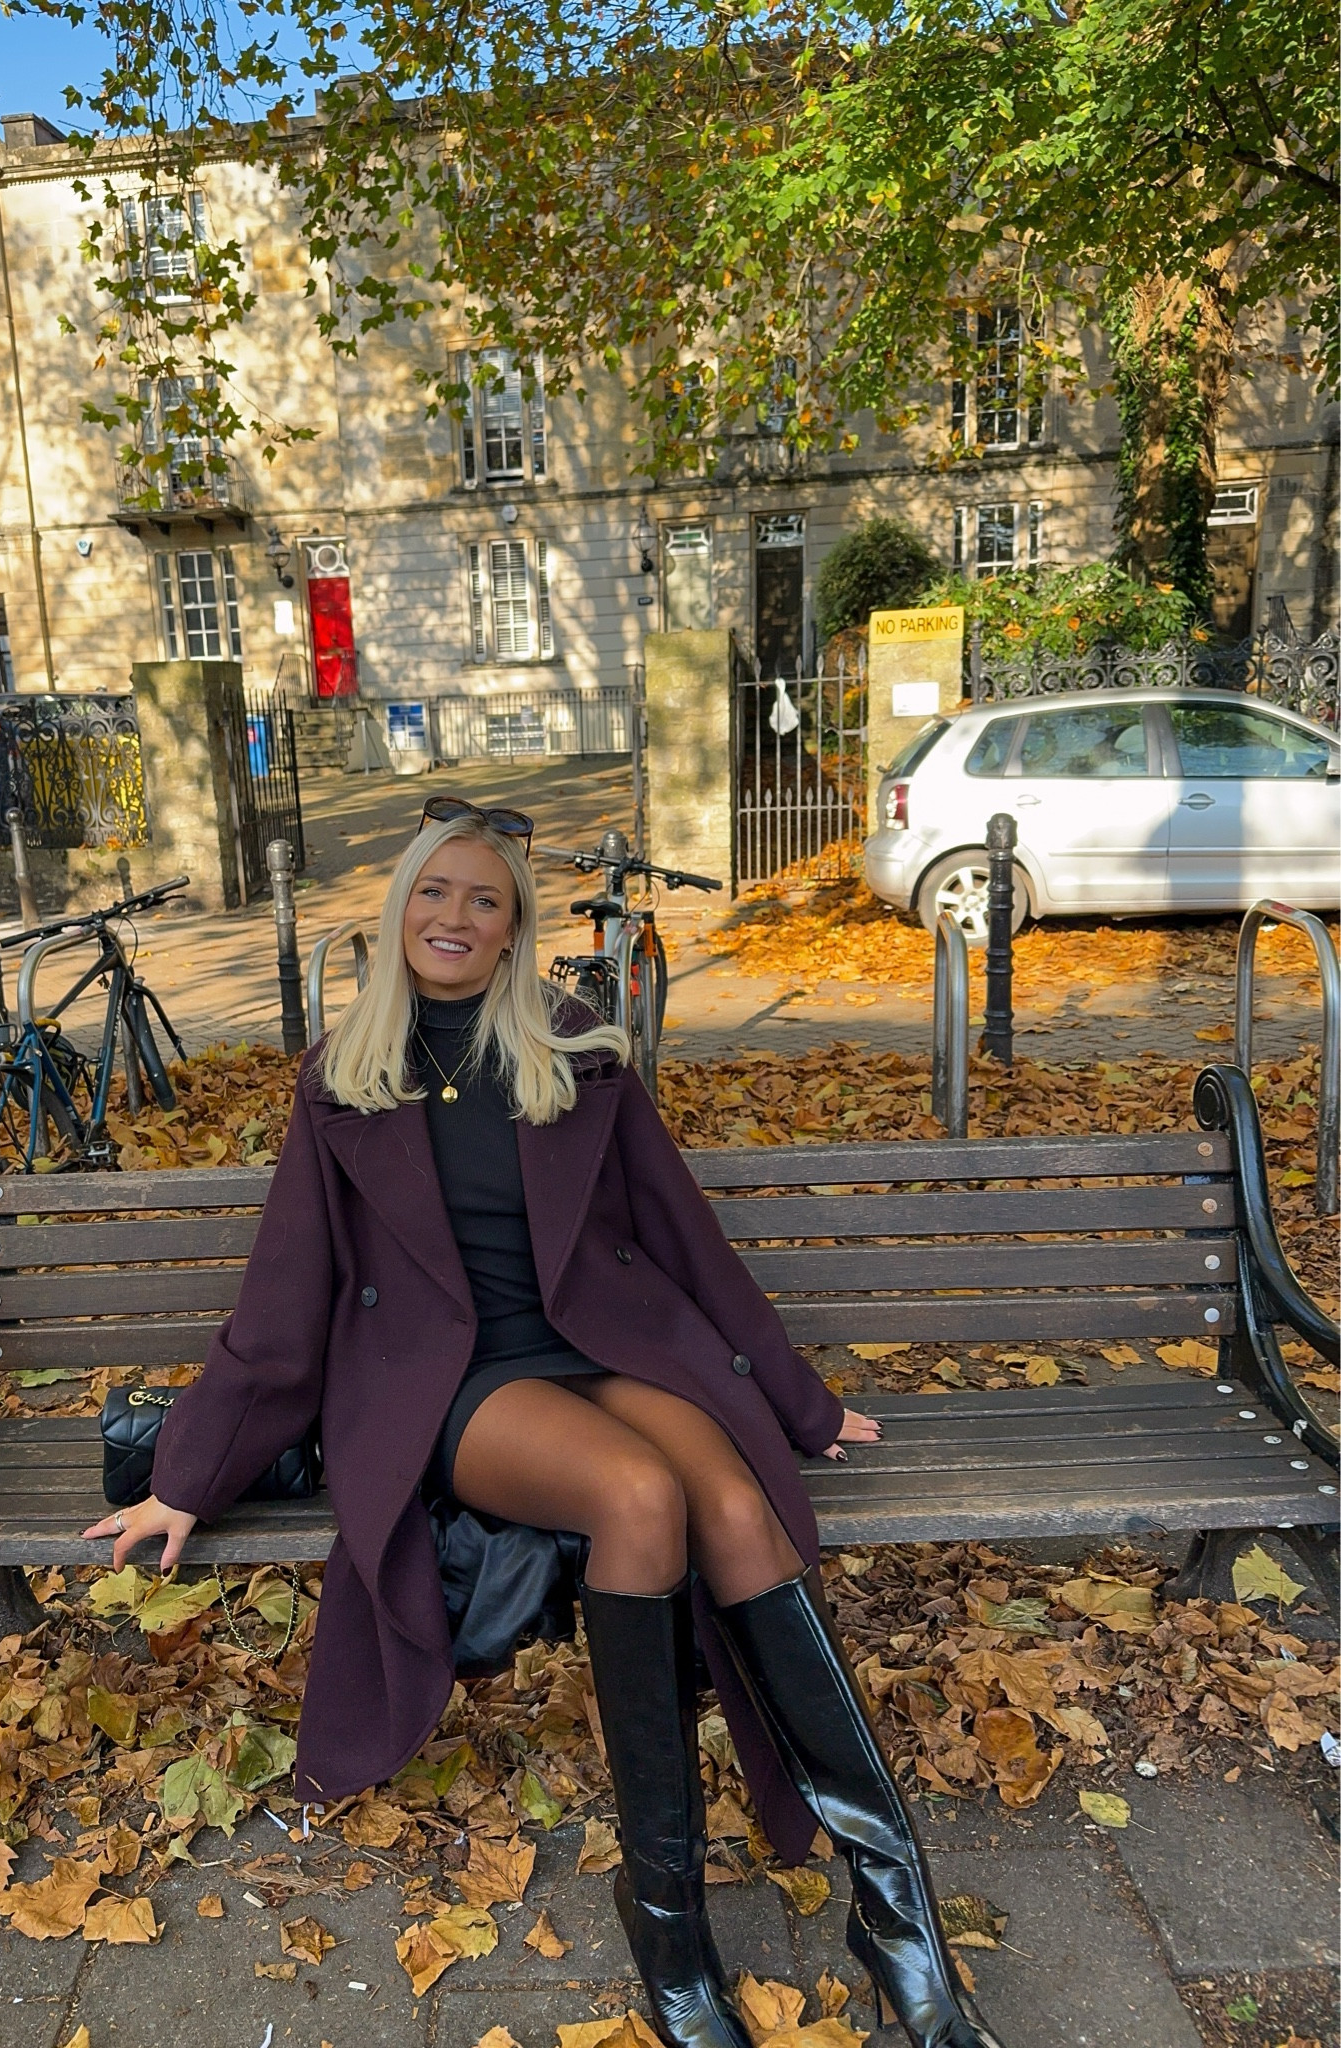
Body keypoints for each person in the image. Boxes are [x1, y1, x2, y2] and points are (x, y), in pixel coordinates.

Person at [86, 799, 1006, 2048]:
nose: (454, 917)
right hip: (455, 1386)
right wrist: (187, 1474)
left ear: (516, 929)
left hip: (603, 1347)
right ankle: (670, 1928)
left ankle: (898, 1914)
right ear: (398, 907)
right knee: (640, 1496)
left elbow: (688, 1238)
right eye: (434, 893)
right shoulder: (343, 1078)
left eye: (484, 899)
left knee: (735, 1502)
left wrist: (801, 1399)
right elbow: (281, 1302)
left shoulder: (577, 1051)